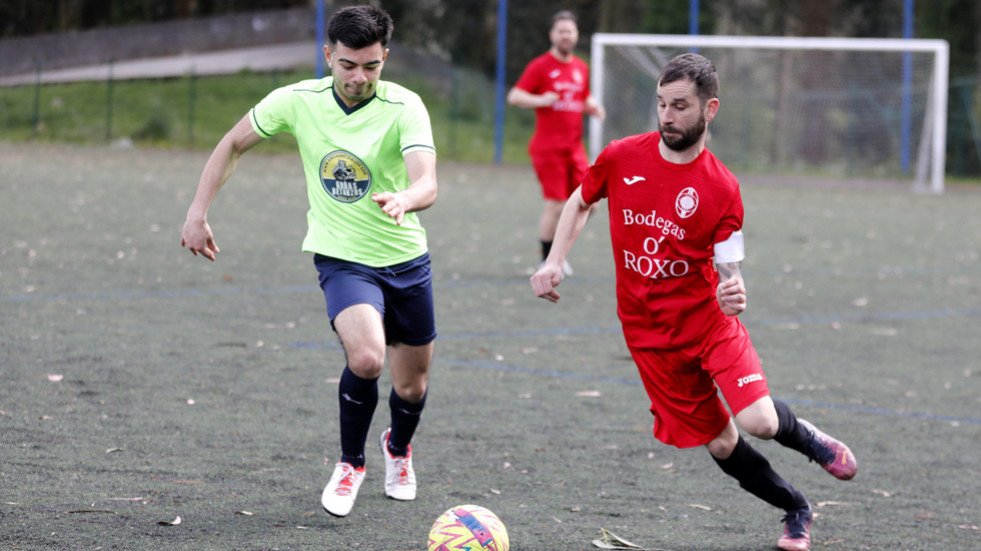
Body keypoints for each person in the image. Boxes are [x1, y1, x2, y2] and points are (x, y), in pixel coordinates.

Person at [530, 53, 856, 551]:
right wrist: (554, 260)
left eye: (680, 106)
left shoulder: (722, 187)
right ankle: (796, 508)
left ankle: (810, 440)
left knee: (760, 423)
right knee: (722, 442)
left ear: (710, 109)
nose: (666, 116)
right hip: (648, 336)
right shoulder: (622, 157)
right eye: (661, 104)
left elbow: (729, 265)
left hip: (706, 324)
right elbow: (581, 198)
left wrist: (734, 288)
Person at [181, 5, 437, 519]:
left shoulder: (405, 105)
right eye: (348, 65)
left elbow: (426, 180)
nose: (359, 77)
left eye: (371, 65)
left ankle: (398, 449)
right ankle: (350, 463)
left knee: (412, 386)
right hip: (342, 258)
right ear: (328, 56)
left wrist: (405, 199)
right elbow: (233, 143)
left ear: (385, 57)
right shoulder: (297, 101)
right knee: (366, 358)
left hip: (405, 259)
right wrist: (197, 210)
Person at [507, 10, 605, 276]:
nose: (565, 35)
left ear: (576, 35)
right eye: (560, 31)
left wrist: (593, 106)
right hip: (547, 148)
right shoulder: (540, 66)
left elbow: (583, 96)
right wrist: (540, 100)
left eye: (569, 31)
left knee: (592, 202)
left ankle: (558, 251)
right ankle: (548, 259)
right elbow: (514, 96)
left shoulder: (580, 67)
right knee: (557, 204)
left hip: (575, 148)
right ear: (552, 35)